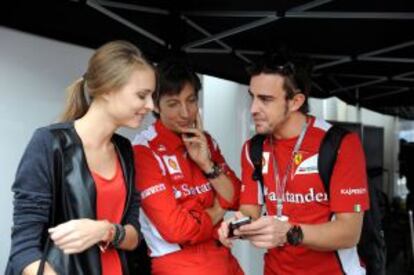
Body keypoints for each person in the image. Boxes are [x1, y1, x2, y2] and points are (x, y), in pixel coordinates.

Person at [6, 40, 156, 275]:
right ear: (107, 89)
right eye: (142, 95)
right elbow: (25, 249)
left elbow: (133, 235)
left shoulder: (125, 149)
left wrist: (104, 230)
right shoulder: (49, 143)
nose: (151, 105)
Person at [218, 53, 370, 274]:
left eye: (266, 99)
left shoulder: (340, 144)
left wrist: (288, 233)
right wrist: (235, 226)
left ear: (296, 101)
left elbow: (350, 233)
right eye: (252, 96)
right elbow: (249, 210)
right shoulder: (253, 148)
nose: (253, 109)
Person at [133, 59, 244, 275]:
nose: (185, 113)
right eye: (173, 104)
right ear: (155, 105)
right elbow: (177, 230)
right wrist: (218, 210)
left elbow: (238, 196)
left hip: (224, 258)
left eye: (191, 100)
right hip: (178, 263)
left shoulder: (206, 141)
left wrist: (206, 164)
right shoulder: (143, 150)